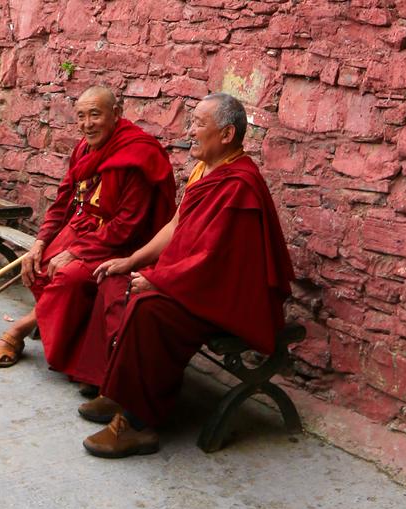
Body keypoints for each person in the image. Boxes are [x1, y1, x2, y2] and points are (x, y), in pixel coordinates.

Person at [78, 92, 295, 458]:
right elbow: (176, 226)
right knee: (115, 281)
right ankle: (118, 391)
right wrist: (132, 260)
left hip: (223, 296)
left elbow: (216, 261)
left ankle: (137, 423)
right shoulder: (204, 171)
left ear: (226, 135)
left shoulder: (240, 183)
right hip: (190, 279)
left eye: (198, 124)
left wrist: (160, 280)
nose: (190, 131)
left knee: (149, 308)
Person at [0, 86, 177, 392]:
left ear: (116, 115)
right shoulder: (84, 149)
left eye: (95, 115)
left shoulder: (137, 154)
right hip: (84, 230)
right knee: (37, 265)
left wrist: (75, 252)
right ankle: (74, 346)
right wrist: (41, 241)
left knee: (68, 278)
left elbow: (128, 224)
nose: (87, 124)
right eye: (81, 116)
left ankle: (20, 330)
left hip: (122, 244)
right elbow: (63, 200)